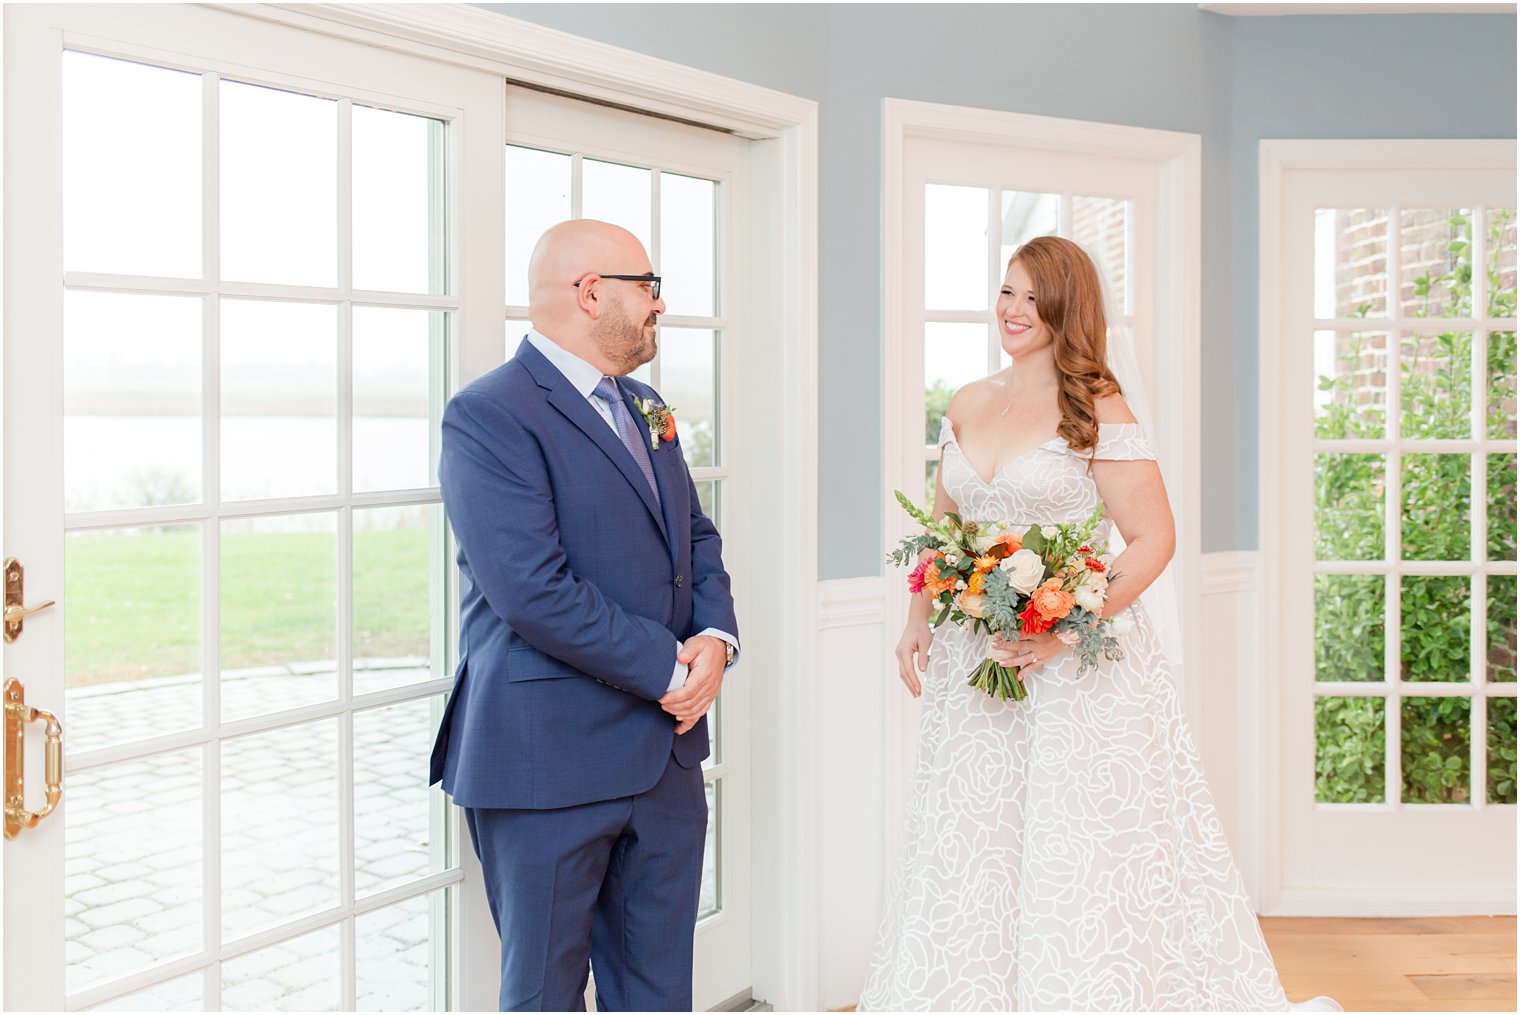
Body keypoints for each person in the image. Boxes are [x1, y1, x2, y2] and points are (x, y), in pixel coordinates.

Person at [859, 235, 1339, 1012]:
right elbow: (943, 530)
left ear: (1064, 307)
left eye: (1031, 297)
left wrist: (1063, 625)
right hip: (971, 659)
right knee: (975, 838)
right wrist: (917, 616)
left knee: (1073, 847)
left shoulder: (1096, 407)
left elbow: (1154, 539)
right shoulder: (966, 401)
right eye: (1006, 292)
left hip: (1073, 672)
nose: (1012, 310)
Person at [429, 219, 739, 1012]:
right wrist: (671, 668)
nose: (661, 306)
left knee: (658, 991)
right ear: (591, 292)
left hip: (664, 761)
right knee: (543, 996)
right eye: (650, 286)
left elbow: (693, 535)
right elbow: (533, 589)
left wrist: (714, 636)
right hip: (547, 761)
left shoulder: (646, 405)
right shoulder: (489, 414)